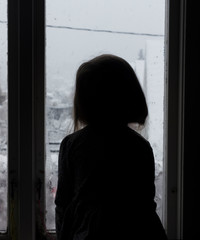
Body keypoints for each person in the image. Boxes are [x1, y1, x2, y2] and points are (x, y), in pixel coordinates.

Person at [55, 54, 168, 240]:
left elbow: (63, 207)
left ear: (84, 101)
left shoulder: (73, 146)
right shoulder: (139, 147)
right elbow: (147, 211)